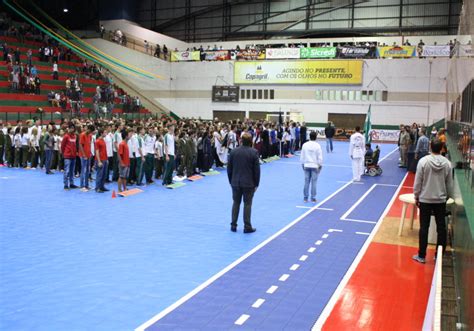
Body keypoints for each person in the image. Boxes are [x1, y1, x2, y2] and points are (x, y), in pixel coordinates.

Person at [412, 139, 453, 264]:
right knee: (441, 228)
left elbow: (418, 181)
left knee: (424, 227)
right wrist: (446, 197)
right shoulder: (447, 163)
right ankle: (438, 256)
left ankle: (422, 256)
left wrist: (416, 196)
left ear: (430, 147)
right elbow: (449, 184)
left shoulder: (423, 162)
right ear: (442, 148)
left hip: (425, 199)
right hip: (440, 200)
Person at [227, 132, 260, 233]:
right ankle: (247, 226)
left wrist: (231, 181)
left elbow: (229, 169)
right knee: (247, 204)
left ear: (241, 140)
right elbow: (257, 171)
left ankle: (233, 225)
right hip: (249, 183)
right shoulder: (254, 152)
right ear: (251, 141)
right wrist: (256, 184)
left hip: (235, 182)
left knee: (236, 203)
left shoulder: (233, 152)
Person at [300, 131, 323, 202]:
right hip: (314, 165)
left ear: (309, 137)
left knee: (306, 181)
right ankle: (313, 198)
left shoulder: (305, 145)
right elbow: (320, 157)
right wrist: (320, 165)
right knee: (314, 182)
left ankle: (305, 198)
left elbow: (302, 156)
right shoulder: (317, 146)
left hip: (306, 165)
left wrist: (302, 164)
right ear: (316, 137)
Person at [61, 124, 79, 190]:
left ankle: (71, 184)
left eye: (73, 128)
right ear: (68, 129)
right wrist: (63, 153)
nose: (72, 129)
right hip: (67, 156)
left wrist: (76, 152)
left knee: (72, 171)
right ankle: (66, 185)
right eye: (71, 128)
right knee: (67, 171)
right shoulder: (66, 136)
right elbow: (62, 146)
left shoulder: (75, 136)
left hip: (73, 156)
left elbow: (75, 146)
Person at [79, 124, 94, 191]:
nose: (90, 132)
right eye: (90, 130)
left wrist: (90, 153)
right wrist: (84, 155)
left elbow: (89, 145)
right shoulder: (82, 135)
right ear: (87, 128)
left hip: (88, 155)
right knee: (83, 170)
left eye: (91, 131)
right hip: (83, 156)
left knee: (88, 170)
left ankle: (86, 185)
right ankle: (82, 186)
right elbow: (80, 145)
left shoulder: (90, 135)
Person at [94, 128, 109, 193]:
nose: (106, 133)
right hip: (100, 160)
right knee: (99, 174)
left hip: (105, 159)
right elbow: (97, 151)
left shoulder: (103, 140)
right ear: (101, 133)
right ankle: (97, 188)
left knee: (104, 174)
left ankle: (102, 187)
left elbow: (104, 151)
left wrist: (107, 159)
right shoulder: (97, 141)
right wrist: (99, 161)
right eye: (105, 132)